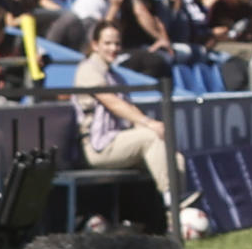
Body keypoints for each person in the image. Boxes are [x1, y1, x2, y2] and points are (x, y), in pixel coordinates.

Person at [73, 21, 201, 217]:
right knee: (149, 138)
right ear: (95, 44)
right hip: (98, 146)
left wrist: (151, 127)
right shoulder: (88, 69)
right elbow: (112, 102)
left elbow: (129, 108)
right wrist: (148, 124)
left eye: (117, 44)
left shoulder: (115, 75)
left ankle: (176, 217)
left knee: (174, 156)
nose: (114, 48)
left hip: (117, 140)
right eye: (107, 43)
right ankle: (171, 199)